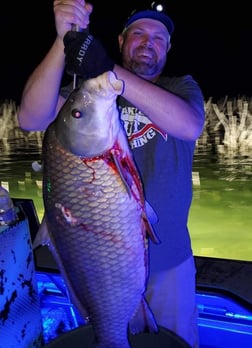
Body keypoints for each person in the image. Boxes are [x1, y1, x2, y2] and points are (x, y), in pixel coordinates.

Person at [18, 1, 205, 347]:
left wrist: (110, 71)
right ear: (120, 40)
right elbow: (29, 118)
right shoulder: (90, 96)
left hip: (170, 267)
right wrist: (64, 39)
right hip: (97, 268)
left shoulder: (181, 87)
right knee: (110, 331)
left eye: (158, 37)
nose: (148, 42)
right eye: (138, 33)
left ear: (168, 48)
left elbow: (190, 125)